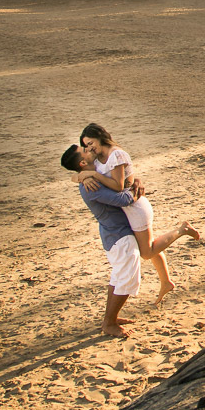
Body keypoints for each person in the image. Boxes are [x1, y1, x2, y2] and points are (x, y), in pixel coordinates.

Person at [73, 123, 199, 305]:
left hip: (135, 206)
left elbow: (117, 186)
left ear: (100, 137)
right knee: (148, 245)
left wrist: (92, 175)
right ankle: (165, 282)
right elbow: (121, 178)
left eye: (91, 142)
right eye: (86, 146)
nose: (90, 148)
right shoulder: (100, 158)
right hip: (126, 208)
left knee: (146, 252)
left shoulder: (116, 154)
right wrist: (80, 176)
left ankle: (182, 230)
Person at [61, 143, 143, 338]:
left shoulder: (93, 173)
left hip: (115, 233)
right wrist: (135, 188)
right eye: (86, 151)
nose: (90, 150)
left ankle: (111, 317)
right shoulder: (91, 185)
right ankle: (109, 323)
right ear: (82, 162)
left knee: (119, 277)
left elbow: (117, 176)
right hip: (118, 235)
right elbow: (123, 199)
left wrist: (132, 180)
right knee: (126, 278)